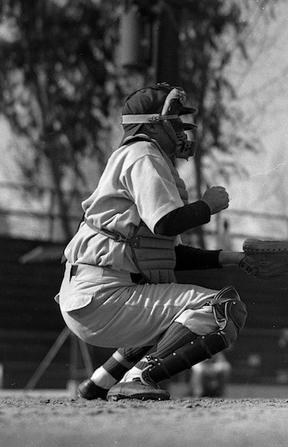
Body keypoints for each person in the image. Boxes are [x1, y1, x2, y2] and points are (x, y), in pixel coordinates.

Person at [60, 83, 248, 401]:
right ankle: (140, 376)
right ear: (150, 124)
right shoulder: (142, 153)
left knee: (177, 322)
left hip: (96, 295)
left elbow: (169, 253)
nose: (180, 128)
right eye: (172, 120)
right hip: (104, 295)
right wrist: (208, 207)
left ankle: (99, 383)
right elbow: (165, 224)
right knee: (223, 308)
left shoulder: (143, 157)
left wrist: (234, 258)